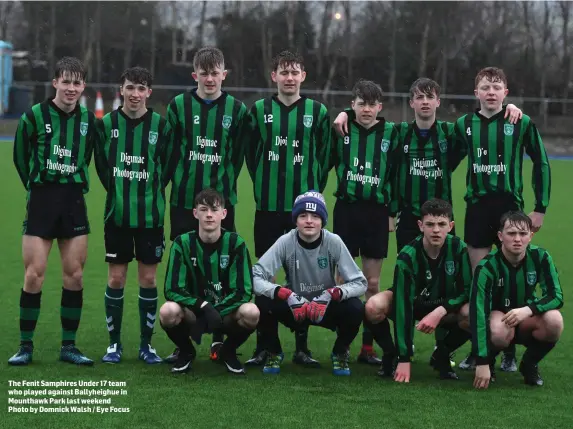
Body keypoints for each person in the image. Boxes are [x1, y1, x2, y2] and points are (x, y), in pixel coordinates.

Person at [333, 76, 522, 367]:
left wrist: (512, 108)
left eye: (429, 97)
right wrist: (346, 112)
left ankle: (442, 349)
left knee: (447, 283)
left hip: (443, 219)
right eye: (418, 97)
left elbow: (484, 126)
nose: (424, 102)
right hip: (409, 218)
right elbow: (369, 123)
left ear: (438, 102)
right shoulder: (398, 134)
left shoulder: (450, 132)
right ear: (411, 103)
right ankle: (390, 344)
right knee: (407, 278)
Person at [455, 67, 551, 372]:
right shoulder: (463, 124)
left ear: (505, 93)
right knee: (478, 282)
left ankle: (508, 349)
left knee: (512, 283)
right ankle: (479, 350)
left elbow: (542, 162)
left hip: (510, 208)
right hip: (478, 208)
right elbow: (442, 158)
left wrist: (541, 207)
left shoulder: (519, 121)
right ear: (477, 94)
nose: (492, 92)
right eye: (486, 87)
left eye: (497, 87)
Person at [244, 51, 331, 367]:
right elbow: (251, 156)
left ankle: (302, 347)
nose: (290, 77)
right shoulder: (259, 111)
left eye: (295, 72)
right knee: (264, 276)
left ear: (303, 76)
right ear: (274, 76)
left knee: (303, 278)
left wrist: (310, 192)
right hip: (267, 207)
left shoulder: (317, 111)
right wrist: (262, 183)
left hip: (303, 211)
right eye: (284, 72)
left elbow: (324, 155)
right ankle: (266, 345)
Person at [10, 57, 96, 366]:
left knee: (75, 275)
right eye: (66, 81)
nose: (71, 88)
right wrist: (38, 186)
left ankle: (69, 347)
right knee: (34, 274)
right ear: (55, 82)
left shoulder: (88, 120)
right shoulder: (34, 116)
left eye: (77, 82)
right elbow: (21, 157)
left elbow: (86, 157)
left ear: (83, 86)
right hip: (43, 199)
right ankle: (25, 346)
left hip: (73, 200)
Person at [165, 47, 248, 361]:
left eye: (216, 73)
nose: (210, 78)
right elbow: (171, 150)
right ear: (195, 75)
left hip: (221, 200)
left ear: (224, 75)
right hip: (184, 200)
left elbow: (239, 153)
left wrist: (223, 187)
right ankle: (184, 338)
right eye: (204, 72)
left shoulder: (237, 110)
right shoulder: (178, 106)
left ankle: (217, 337)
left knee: (222, 270)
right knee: (186, 269)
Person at [94, 66, 172, 364]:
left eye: (141, 88)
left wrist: (148, 190)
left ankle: (145, 344)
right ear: (121, 90)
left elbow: (166, 166)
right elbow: (101, 165)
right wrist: (118, 189)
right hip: (118, 215)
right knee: (116, 278)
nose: (135, 94)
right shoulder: (107, 124)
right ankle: (114, 344)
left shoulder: (161, 127)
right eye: (130, 88)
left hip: (150, 216)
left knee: (148, 279)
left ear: (149, 93)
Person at [252, 191, 367, 375]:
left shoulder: (333, 241)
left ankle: (339, 352)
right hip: (294, 306)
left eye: (315, 216)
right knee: (263, 302)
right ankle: (274, 351)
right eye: (303, 215)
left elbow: (360, 282)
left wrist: (332, 294)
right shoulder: (286, 241)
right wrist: (285, 294)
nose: (309, 221)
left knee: (355, 307)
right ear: (295, 220)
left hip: (324, 307)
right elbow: (256, 276)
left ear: (322, 221)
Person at [364, 199, 472, 382]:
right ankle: (392, 354)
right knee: (373, 306)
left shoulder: (458, 248)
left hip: (443, 305)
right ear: (421, 226)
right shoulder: (407, 255)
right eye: (430, 224)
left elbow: (468, 290)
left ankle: (443, 354)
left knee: (472, 313)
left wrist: (441, 310)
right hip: (411, 301)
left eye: (441, 224)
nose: (436, 230)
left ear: (450, 226)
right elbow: (402, 305)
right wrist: (404, 357)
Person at [330, 79, 400, 365]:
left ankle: (367, 348)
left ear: (380, 107)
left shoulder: (392, 133)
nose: (367, 110)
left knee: (372, 283)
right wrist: (340, 114)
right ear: (353, 105)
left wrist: (392, 214)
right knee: (342, 281)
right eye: (361, 104)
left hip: (376, 213)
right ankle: (341, 346)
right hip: (346, 210)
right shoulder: (341, 130)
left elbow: (395, 175)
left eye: (372, 105)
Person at [159, 188, 259, 375]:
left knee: (251, 312)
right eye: (204, 209)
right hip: (193, 313)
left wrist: (215, 312)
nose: (209, 215)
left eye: (214, 209)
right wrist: (204, 307)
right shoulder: (182, 243)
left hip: (225, 314)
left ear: (224, 213)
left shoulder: (236, 244)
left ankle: (227, 352)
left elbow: (243, 291)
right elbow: (172, 288)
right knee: (167, 311)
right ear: (195, 213)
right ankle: (187, 351)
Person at [470, 211, 563, 389]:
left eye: (523, 233)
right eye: (511, 233)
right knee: (497, 330)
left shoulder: (541, 257)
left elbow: (556, 296)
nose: (517, 239)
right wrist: (481, 361)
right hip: (499, 319)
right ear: (500, 236)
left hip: (526, 317)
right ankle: (489, 362)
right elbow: (478, 312)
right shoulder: (487, 266)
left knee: (555, 321)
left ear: (531, 236)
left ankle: (529, 364)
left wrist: (527, 310)